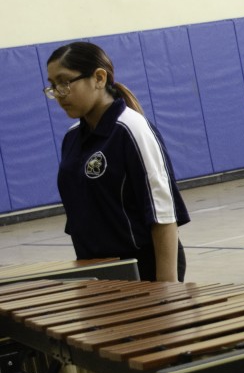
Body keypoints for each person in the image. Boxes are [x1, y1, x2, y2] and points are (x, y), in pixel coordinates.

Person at [46, 42, 188, 282]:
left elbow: (163, 213)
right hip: (95, 269)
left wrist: (168, 285)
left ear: (99, 78)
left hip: (142, 267)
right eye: (53, 86)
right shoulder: (71, 138)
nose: (59, 93)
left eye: (65, 82)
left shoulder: (132, 129)